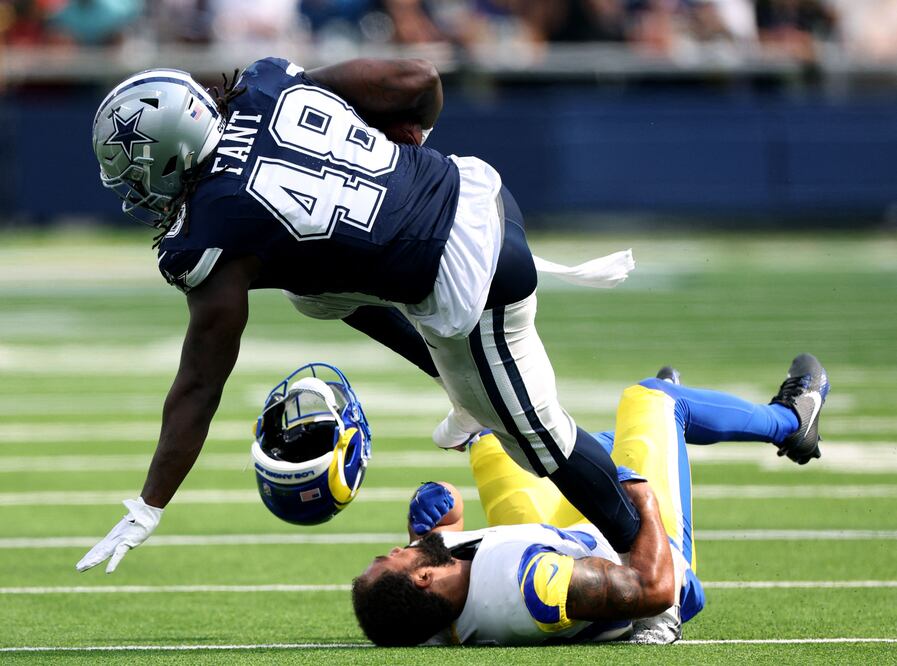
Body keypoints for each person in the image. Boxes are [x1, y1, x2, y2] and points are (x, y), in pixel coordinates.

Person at [76, 56, 821, 575]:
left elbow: (200, 382)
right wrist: (402, 141)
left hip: (473, 279)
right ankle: (464, 392)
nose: (132, 189)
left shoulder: (212, 232)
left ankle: (656, 577)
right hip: (468, 189)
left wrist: (150, 504)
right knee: (310, 286)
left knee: (542, 446)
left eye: (133, 170)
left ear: (169, 153)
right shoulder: (264, 85)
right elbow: (418, 81)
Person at [351, 355, 830, 646]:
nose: (397, 548)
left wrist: (436, 518)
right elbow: (653, 588)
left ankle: (627, 440)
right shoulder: (532, 587)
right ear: (424, 578)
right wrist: (638, 493)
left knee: (491, 434)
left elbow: (432, 579)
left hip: (563, 538)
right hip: (640, 550)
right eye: (392, 559)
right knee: (652, 400)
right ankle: (791, 420)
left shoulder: (431, 612)